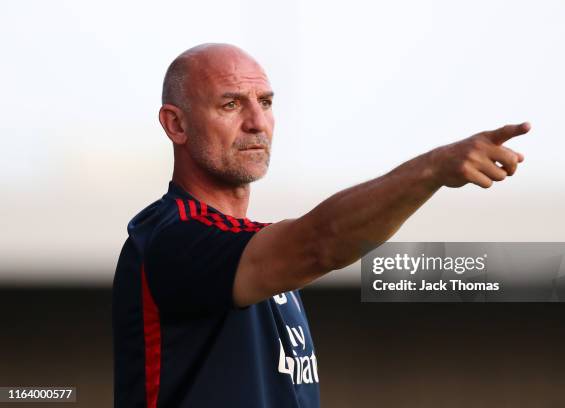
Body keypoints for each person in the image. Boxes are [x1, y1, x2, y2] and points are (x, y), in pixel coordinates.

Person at [112, 43, 531, 408]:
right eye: (231, 104)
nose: (257, 122)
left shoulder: (254, 251)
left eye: (267, 102)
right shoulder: (172, 239)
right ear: (176, 124)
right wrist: (432, 169)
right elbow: (322, 242)